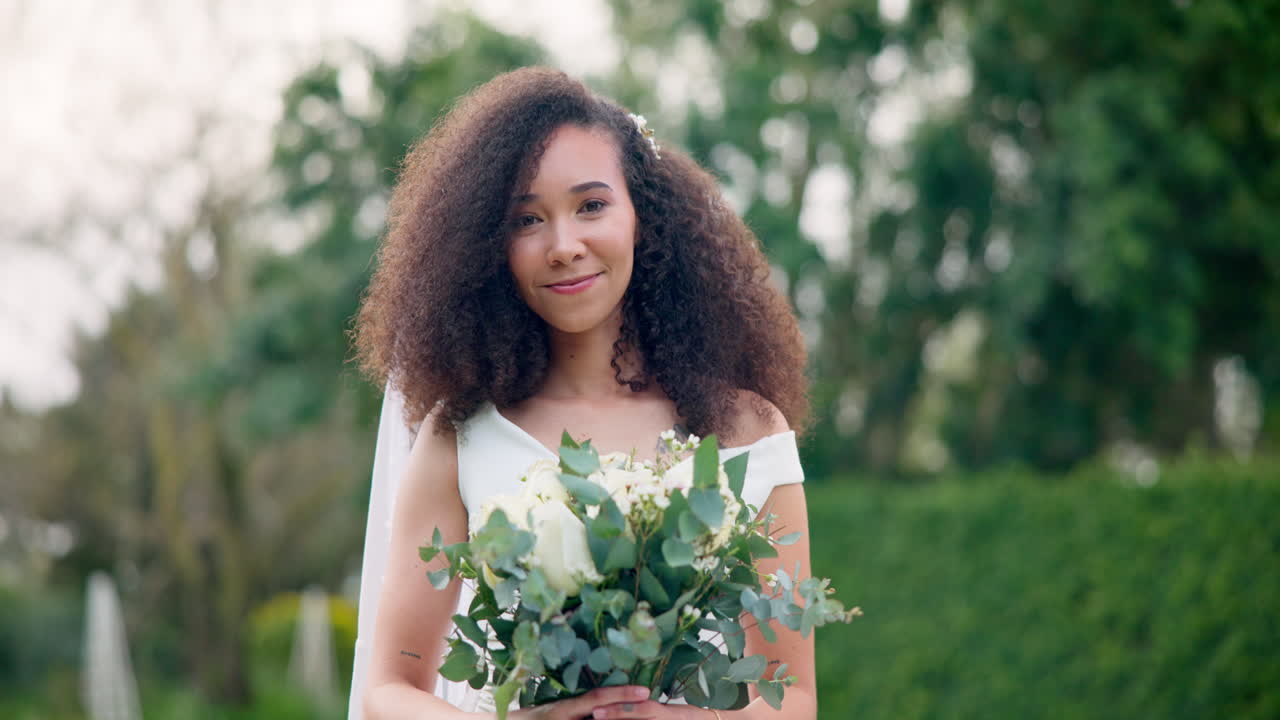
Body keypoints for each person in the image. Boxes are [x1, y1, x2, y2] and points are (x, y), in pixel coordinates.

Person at [349, 67, 816, 720]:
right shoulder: (462, 436)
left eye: (591, 206)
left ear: (643, 217)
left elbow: (794, 699)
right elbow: (388, 690)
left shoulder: (748, 431)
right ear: (490, 246)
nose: (564, 246)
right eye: (527, 219)